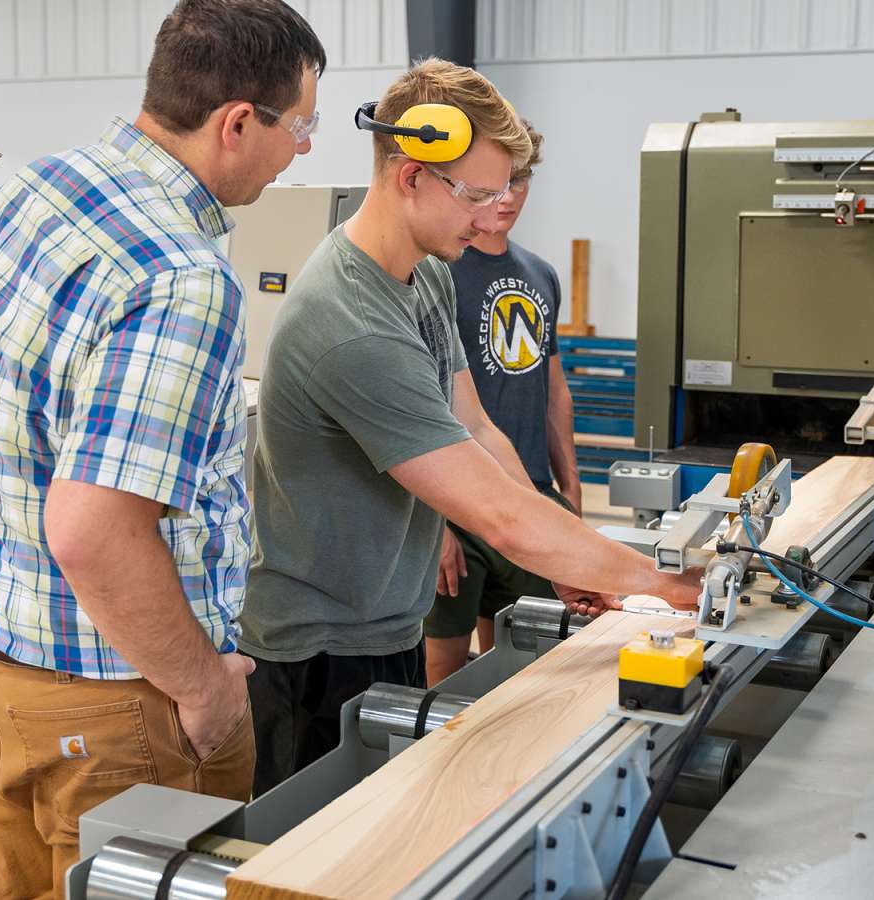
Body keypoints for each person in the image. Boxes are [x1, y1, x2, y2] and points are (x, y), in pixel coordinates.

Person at [0, 1, 325, 894]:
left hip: (1, 675)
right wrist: (204, 689)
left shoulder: (34, 191)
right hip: (121, 707)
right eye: (300, 125)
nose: (302, 148)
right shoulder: (181, 273)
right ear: (235, 123)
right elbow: (94, 530)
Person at [243, 59, 702, 795]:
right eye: (479, 196)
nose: (494, 217)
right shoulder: (351, 322)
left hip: (386, 619)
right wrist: (662, 584)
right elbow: (492, 512)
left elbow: (480, 431)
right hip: (317, 652)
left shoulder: (421, 274)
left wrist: (560, 561)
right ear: (411, 176)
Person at [424, 118, 581, 685]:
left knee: (519, 656)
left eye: (522, 181)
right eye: (499, 182)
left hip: (527, 491)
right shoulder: (436, 273)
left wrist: (569, 483)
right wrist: (432, 522)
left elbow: (551, 387)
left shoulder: (540, 274)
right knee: (442, 667)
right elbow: (420, 404)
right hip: (458, 506)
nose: (510, 196)